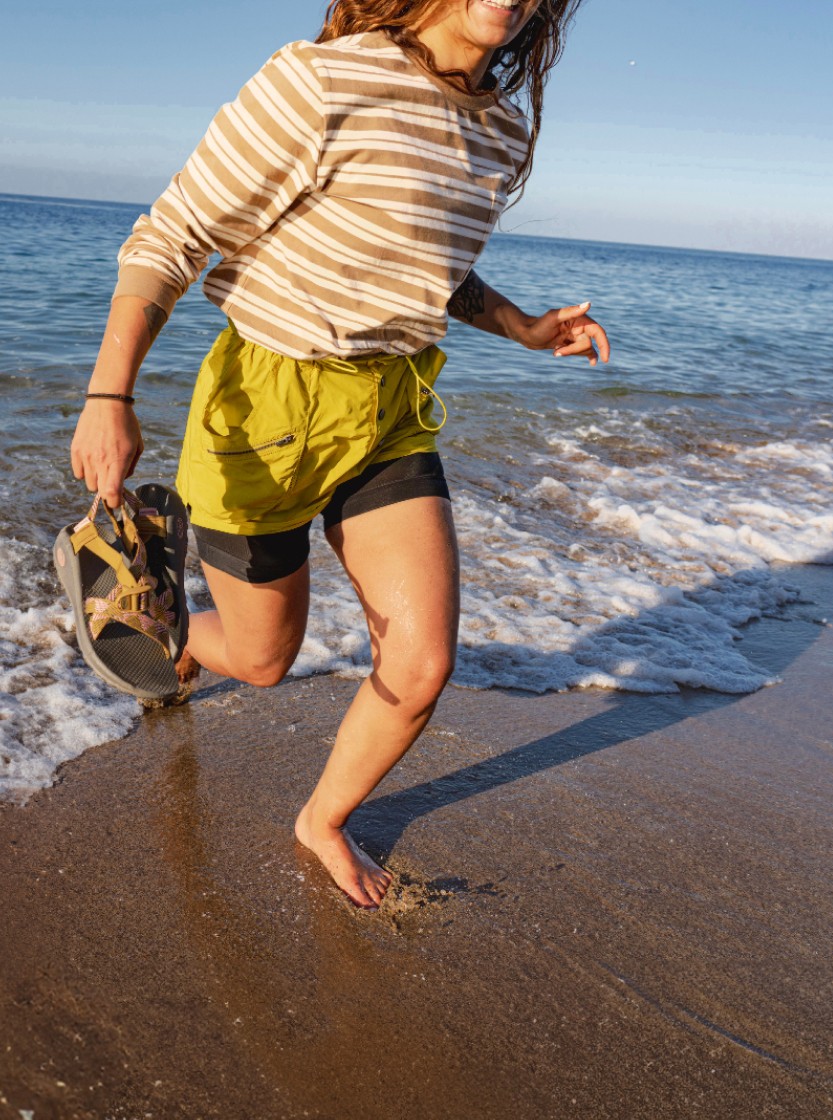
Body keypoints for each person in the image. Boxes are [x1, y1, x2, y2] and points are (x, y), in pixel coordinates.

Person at [69, 0, 609, 910]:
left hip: (390, 406)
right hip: (267, 411)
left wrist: (519, 325)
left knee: (422, 662)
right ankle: (156, 626)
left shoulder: (501, 130)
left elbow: (428, 263)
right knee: (265, 659)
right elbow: (173, 235)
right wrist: (109, 396)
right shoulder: (320, 79)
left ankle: (321, 820)